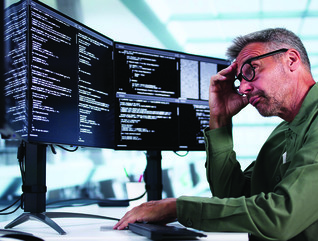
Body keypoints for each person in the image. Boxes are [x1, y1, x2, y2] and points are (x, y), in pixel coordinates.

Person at [113, 28, 318, 241]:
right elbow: (232, 197)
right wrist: (219, 119)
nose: (244, 88)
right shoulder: (283, 132)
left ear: (291, 60)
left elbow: (281, 216)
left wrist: (177, 208)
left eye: (251, 70)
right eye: (240, 81)